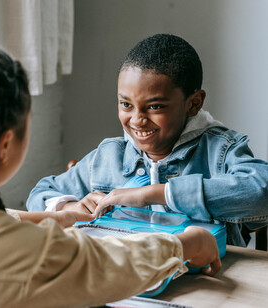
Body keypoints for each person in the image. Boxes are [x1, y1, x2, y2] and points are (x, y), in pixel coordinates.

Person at [0, 46, 221, 307]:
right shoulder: (26, 254)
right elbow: (113, 264)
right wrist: (187, 244)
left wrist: (57, 216)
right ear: (4, 144)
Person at [26, 33, 268, 247]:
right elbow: (39, 194)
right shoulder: (109, 156)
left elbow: (261, 192)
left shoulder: (220, 152)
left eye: (154, 106)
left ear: (193, 103)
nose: (137, 119)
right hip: (130, 281)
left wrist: (155, 194)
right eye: (126, 105)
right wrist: (67, 208)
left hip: (209, 282)